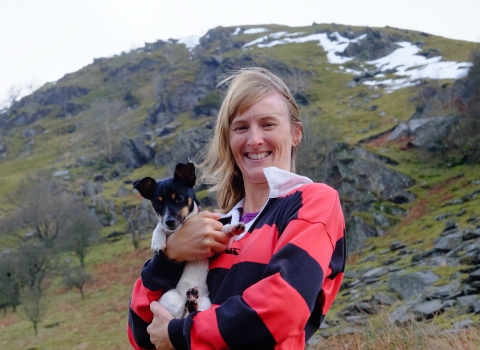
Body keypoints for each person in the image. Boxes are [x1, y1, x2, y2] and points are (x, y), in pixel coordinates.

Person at [127, 67, 346, 349]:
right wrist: (169, 256)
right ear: (228, 141)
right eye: (241, 127)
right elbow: (140, 335)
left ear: (295, 134)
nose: (254, 140)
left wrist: (181, 334)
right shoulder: (212, 226)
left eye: (268, 124)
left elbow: (282, 308)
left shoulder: (313, 202)